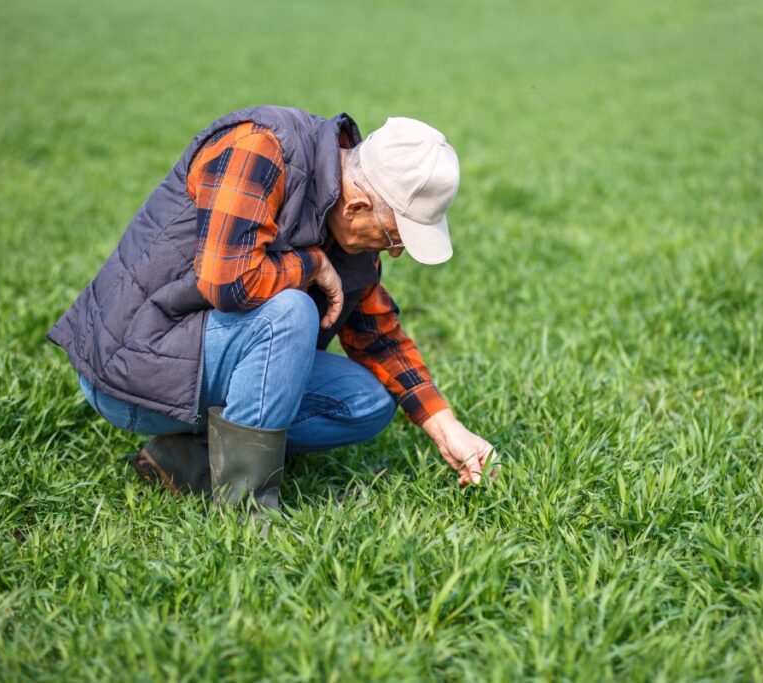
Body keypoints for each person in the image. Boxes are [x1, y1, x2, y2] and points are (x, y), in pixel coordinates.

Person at [47, 106, 494, 511]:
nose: (394, 252)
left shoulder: (353, 233)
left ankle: (188, 460)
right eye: (395, 237)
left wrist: (448, 429)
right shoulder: (259, 148)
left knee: (368, 402)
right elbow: (229, 283)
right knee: (291, 313)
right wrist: (312, 265)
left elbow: (378, 338)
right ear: (358, 205)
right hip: (133, 364)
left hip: (201, 362)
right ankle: (246, 510)